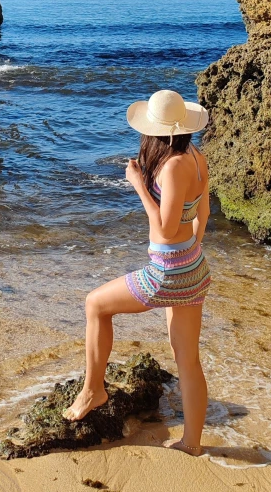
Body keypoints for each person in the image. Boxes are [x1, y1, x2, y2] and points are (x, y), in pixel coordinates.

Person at [62, 89, 212, 456]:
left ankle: (93, 391)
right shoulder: (196, 156)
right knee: (188, 359)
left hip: (166, 272)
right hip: (193, 266)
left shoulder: (174, 165)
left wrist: (139, 185)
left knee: (95, 304)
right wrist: (190, 251)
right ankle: (191, 444)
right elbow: (202, 214)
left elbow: (163, 227)